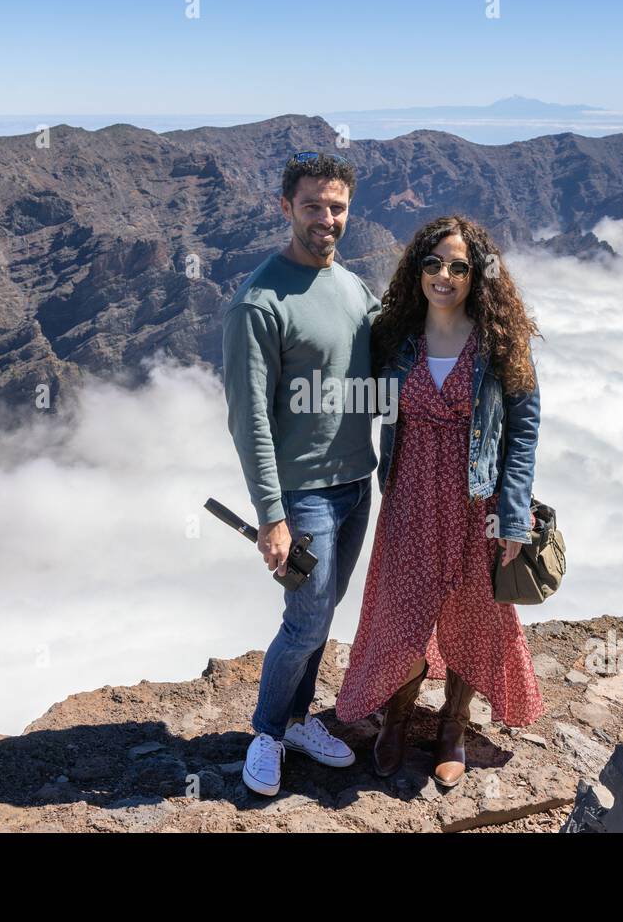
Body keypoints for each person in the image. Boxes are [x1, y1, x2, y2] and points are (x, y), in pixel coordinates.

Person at [334, 214, 546, 788]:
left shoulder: (499, 341)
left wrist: (512, 511)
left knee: (476, 614)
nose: (444, 276)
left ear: (477, 274)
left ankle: (453, 724)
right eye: (433, 264)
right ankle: (397, 717)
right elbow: (346, 383)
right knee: (401, 614)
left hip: (478, 499)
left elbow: (523, 429)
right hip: (409, 497)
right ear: (417, 270)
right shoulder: (398, 338)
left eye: (458, 266)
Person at [221, 151, 379, 797]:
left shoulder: (355, 289)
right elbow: (248, 419)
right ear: (286, 208)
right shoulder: (258, 303)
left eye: (337, 206)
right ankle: (265, 731)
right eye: (312, 205)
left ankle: (295, 718)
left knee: (325, 610)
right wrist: (271, 516)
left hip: (355, 485)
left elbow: (382, 377)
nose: (327, 218)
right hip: (303, 493)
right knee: (307, 621)